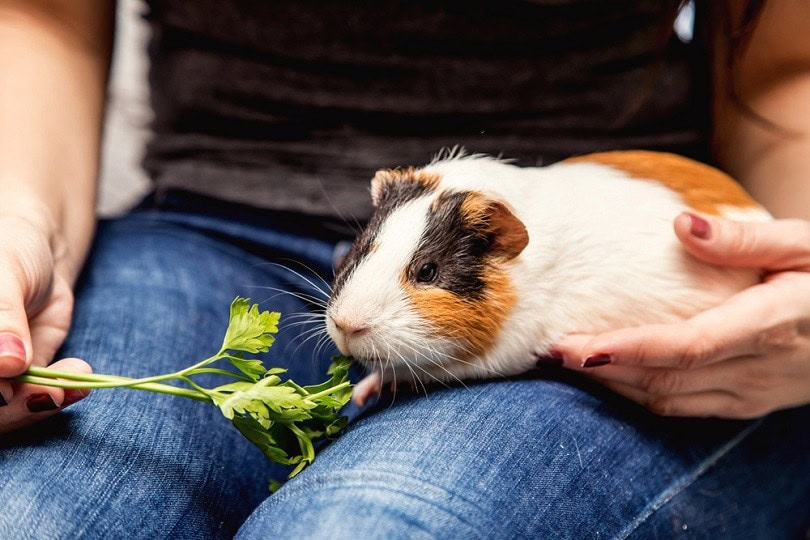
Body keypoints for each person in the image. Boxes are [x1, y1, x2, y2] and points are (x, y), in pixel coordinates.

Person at [0, 1, 808, 538]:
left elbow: (784, 62)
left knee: (368, 526)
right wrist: (16, 217)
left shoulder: (511, 246)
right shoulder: (394, 221)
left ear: (501, 247)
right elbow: (43, 14)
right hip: (196, 212)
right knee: (35, 515)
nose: (344, 316)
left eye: (424, 273)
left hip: (690, 321)